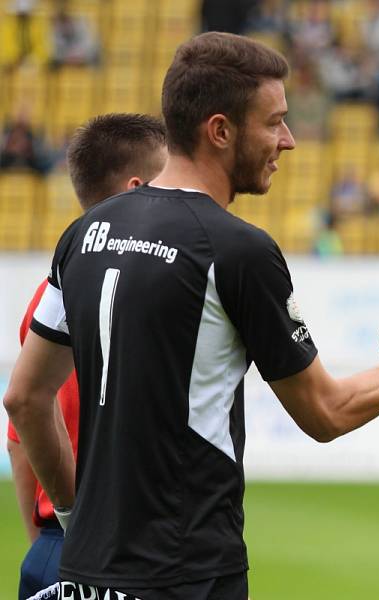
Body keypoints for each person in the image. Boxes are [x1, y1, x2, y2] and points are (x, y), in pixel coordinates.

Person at [3, 32, 379, 600]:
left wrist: (74, 517)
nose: (288, 141)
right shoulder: (237, 249)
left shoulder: (84, 234)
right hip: (189, 573)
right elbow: (325, 411)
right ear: (219, 130)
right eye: (274, 122)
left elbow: (24, 396)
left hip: (88, 573)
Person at [7, 113, 168, 600]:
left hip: (56, 544)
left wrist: (47, 547)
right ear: (136, 188)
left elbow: (20, 439)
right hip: (123, 551)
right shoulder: (160, 290)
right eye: (170, 180)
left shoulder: (49, 299)